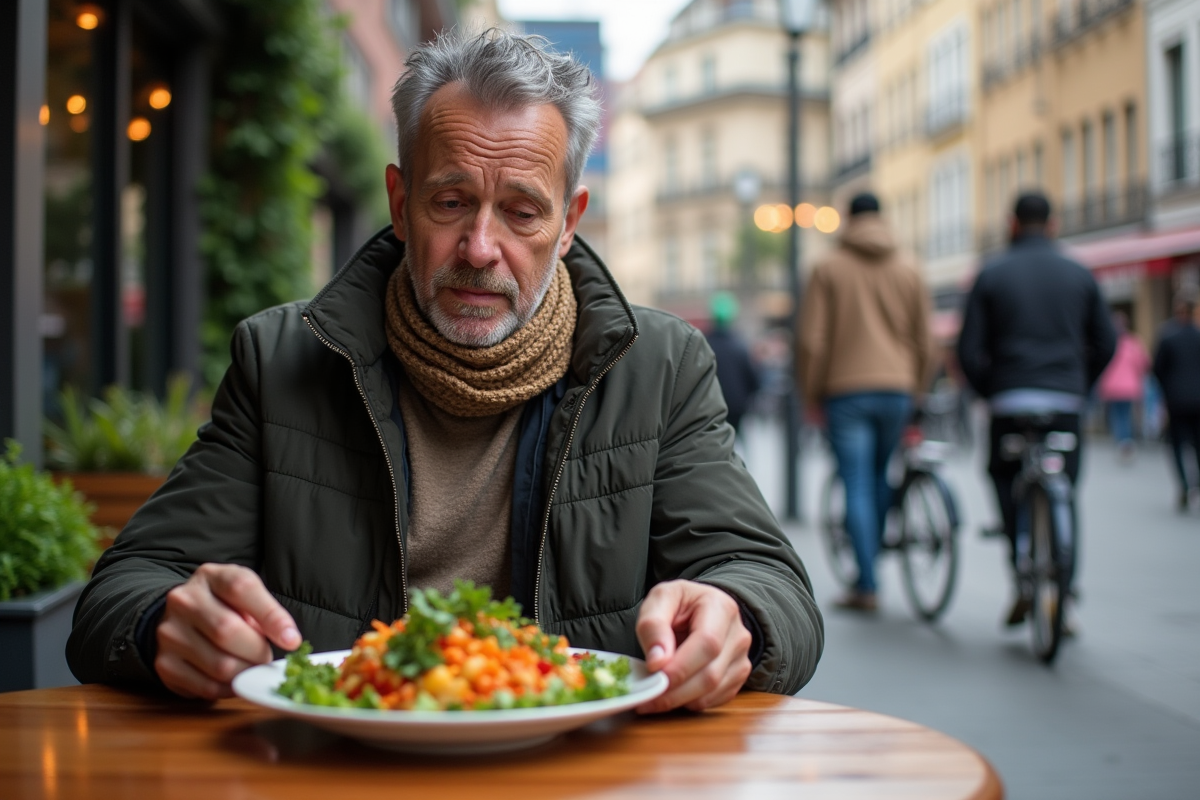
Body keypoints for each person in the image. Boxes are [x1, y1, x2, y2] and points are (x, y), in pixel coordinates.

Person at [65, 31, 823, 712]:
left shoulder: (659, 368)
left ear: (569, 223)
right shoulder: (282, 360)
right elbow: (122, 588)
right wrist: (161, 621)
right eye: (451, 201)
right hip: (333, 779)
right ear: (400, 204)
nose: (480, 248)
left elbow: (769, 581)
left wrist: (737, 616)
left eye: (522, 212)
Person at [957, 192, 1116, 626]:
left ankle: (1021, 569)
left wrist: (990, 391)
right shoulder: (1079, 273)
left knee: (1004, 475)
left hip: (1010, 398)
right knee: (1064, 483)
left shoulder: (990, 274)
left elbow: (968, 349)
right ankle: (1065, 587)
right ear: (1053, 223)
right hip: (1064, 398)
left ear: (1012, 223)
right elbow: (1107, 341)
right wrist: (1080, 385)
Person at [797, 192, 933, 612]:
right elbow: (927, 340)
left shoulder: (828, 267)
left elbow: (811, 340)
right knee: (878, 478)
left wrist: (810, 393)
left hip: (846, 390)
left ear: (847, 219)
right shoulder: (909, 267)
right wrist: (918, 389)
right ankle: (874, 561)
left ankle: (868, 585)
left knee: (855, 482)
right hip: (897, 389)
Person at [1153, 293, 1200, 511]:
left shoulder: (1168, 336)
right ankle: (1196, 483)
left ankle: (1184, 485)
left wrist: (1166, 392)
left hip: (1176, 400)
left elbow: (1157, 369)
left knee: (1178, 446)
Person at [704, 292, 760, 436]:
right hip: (737, 405)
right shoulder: (739, 345)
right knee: (734, 439)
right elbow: (751, 378)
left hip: (711, 404)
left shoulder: (704, 344)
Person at [1097, 311, 1150, 461]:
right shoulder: (1133, 342)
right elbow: (1144, 363)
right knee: (1125, 415)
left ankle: (1122, 441)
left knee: (1117, 416)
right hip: (1129, 387)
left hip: (1112, 387)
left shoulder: (1108, 341)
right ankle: (1126, 441)